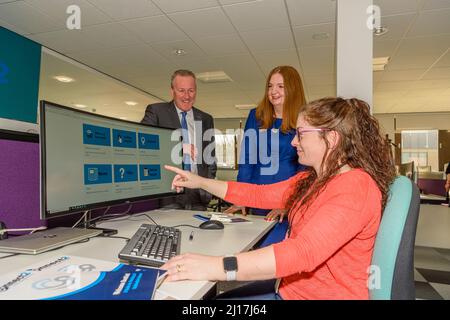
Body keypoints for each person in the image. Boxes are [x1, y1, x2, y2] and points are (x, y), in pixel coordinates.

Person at [162, 97, 397, 300]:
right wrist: (199, 181)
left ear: (331, 139)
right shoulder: (313, 179)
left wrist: (216, 266)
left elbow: (302, 252)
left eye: (301, 134)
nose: (294, 142)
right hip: (289, 289)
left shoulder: (355, 186)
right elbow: (257, 193)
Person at [224, 66, 307, 247]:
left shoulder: (304, 118)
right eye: (270, 86)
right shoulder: (256, 116)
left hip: (286, 199)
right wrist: (242, 196)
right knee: (252, 248)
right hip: (257, 196)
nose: (273, 91)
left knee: (277, 252)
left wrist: (289, 202)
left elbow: (306, 168)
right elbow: (247, 158)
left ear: (292, 89)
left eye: (280, 86)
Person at [141, 69, 216, 211]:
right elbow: (143, 145)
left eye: (191, 90)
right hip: (168, 193)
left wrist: (208, 188)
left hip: (198, 195)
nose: (187, 96)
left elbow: (210, 158)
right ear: (172, 91)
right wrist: (179, 148)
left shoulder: (206, 119)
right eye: (181, 90)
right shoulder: (156, 112)